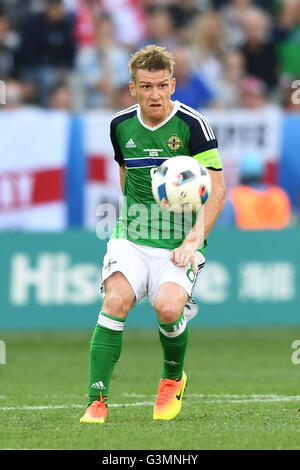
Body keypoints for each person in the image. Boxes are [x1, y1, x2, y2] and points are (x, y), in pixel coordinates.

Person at [79, 45, 226, 424]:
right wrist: (131, 223)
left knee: (168, 308)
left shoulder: (194, 126)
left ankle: (172, 379)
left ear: (173, 85)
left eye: (162, 85)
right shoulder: (120, 126)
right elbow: (126, 180)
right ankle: (96, 401)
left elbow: (219, 190)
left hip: (179, 242)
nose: (155, 94)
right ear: (133, 88)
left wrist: (192, 240)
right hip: (131, 235)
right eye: (146, 87)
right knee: (115, 302)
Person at [230, 152, 291, 229]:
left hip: (247, 240)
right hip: (277, 240)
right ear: (263, 173)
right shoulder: (279, 195)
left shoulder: (236, 195)